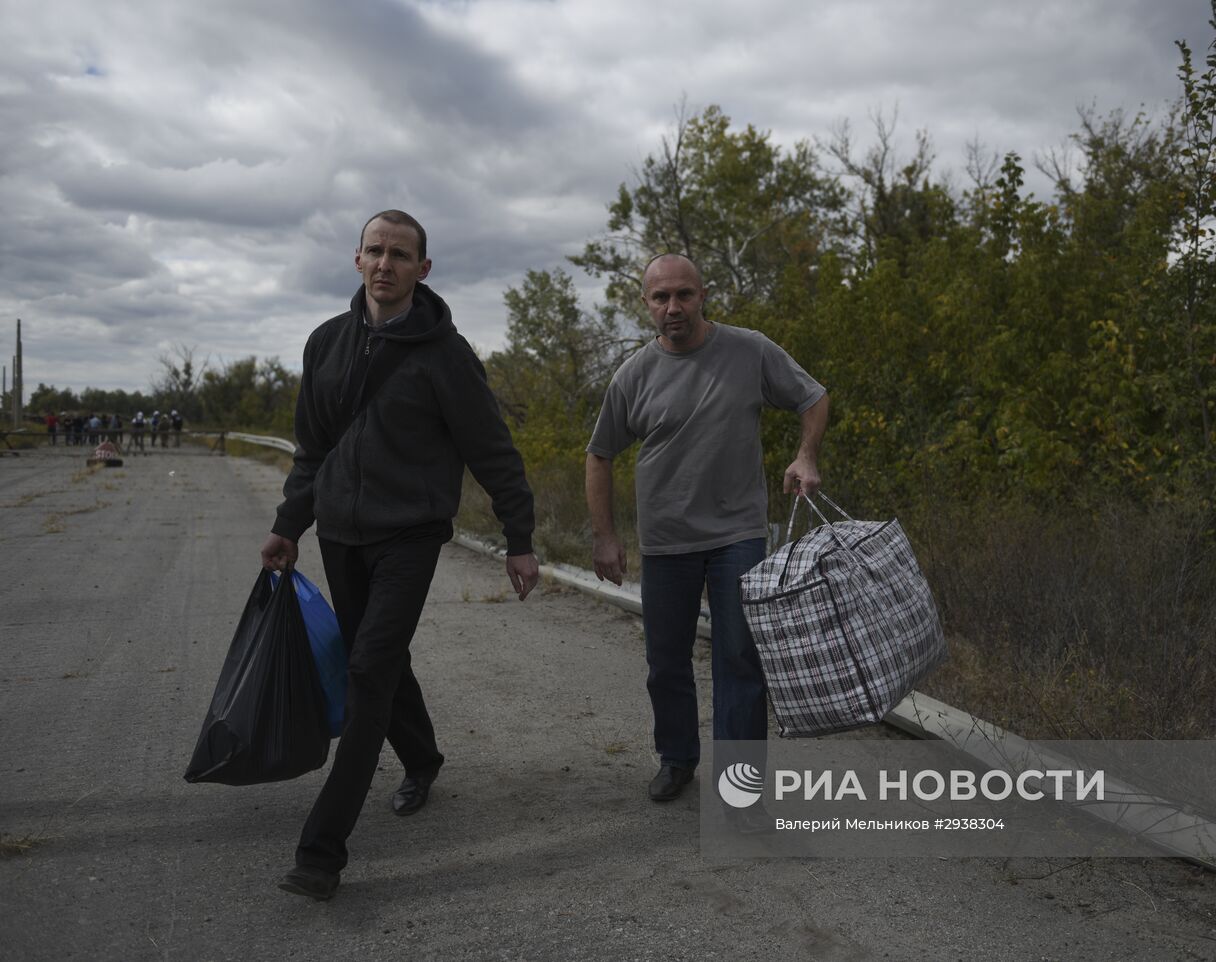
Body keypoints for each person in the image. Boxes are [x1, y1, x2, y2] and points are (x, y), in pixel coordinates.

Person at [260, 209, 539, 902]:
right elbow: (312, 451)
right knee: (378, 657)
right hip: (341, 534)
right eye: (375, 251)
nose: (386, 264)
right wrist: (290, 523)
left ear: (423, 268)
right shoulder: (326, 343)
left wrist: (520, 538)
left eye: (401, 254)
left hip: (410, 535)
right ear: (357, 261)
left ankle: (321, 851)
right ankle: (422, 757)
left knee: (367, 673)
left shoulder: (446, 355)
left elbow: (492, 452)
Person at [586, 253, 829, 804]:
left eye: (683, 295)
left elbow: (814, 397)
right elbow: (599, 455)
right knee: (665, 662)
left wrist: (806, 456)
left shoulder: (748, 350)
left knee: (739, 658)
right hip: (666, 540)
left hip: (737, 535)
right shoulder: (634, 375)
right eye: (660, 298)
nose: (673, 307)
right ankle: (677, 760)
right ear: (646, 304)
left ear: (702, 294)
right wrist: (605, 536)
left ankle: (740, 788)